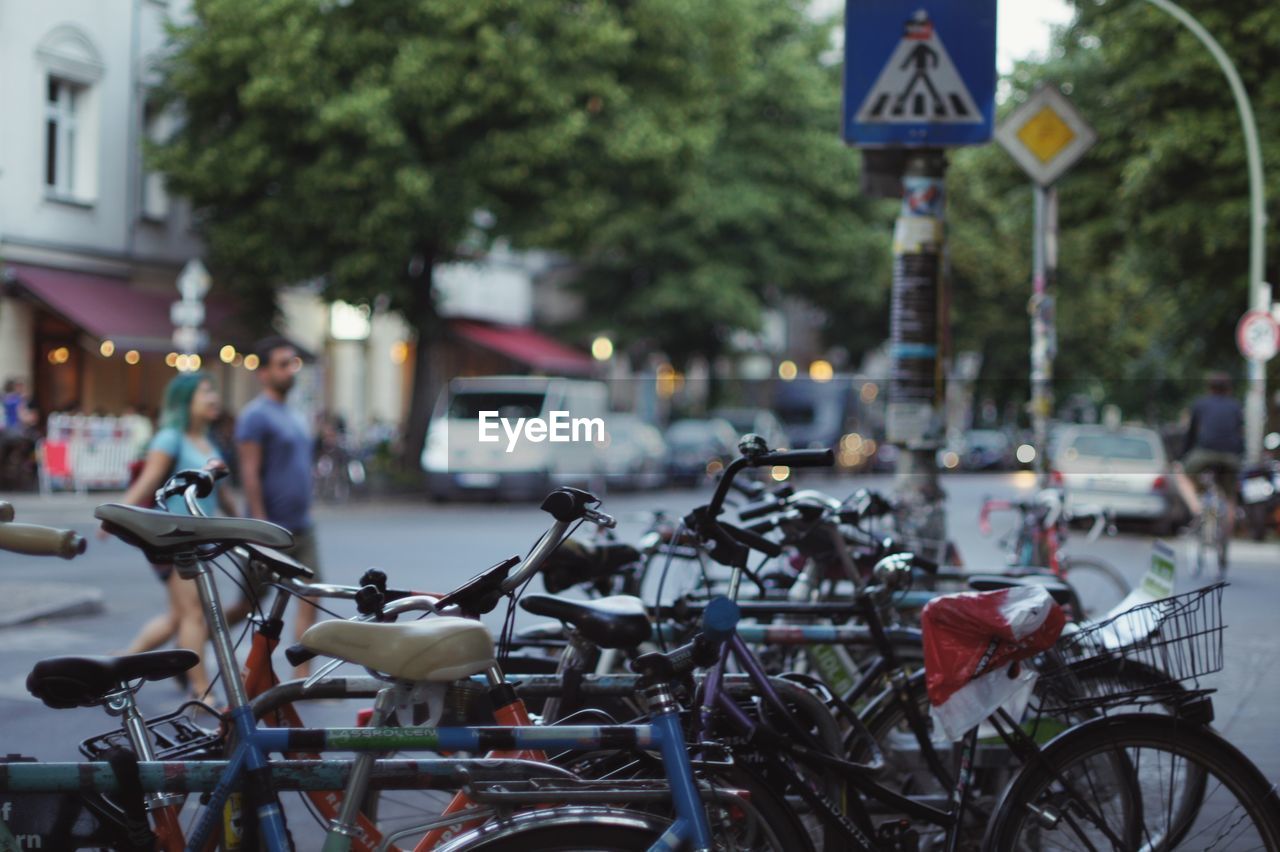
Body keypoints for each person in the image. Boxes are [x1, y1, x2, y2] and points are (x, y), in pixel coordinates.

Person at [113, 373, 236, 697]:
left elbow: (222, 495)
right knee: (195, 614)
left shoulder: (209, 441)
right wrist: (115, 515)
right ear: (185, 401)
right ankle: (201, 691)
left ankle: (115, 666)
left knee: (177, 618)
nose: (213, 397)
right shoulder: (171, 438)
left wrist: (245, 527)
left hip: (201, 540)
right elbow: (147, 480)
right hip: (175, 539)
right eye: (205, 391)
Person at [234, 336, 320, 674]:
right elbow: (249, 472)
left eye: (293, 363)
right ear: (264, 373)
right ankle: (201, 638)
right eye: (283, 364)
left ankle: (303, 678)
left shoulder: (295, 414)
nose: (290, 371)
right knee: (247, 606)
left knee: (312, 594)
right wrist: (260, 524)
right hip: (270, 529)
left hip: (302, 525)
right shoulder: (255, 416)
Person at [1174, 372, 1244, 534]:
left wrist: (1182, 456)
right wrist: (1240, 455)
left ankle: (1197, 510)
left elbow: (1190, 435)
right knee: (1230, 495)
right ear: (1229, 389)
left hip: (1204, 453)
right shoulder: (1236, 406)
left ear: (1209, 388)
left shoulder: (1200, 404)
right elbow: (1240, 435)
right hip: (1231, 456)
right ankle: (1227, 535)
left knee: (1181, 474)